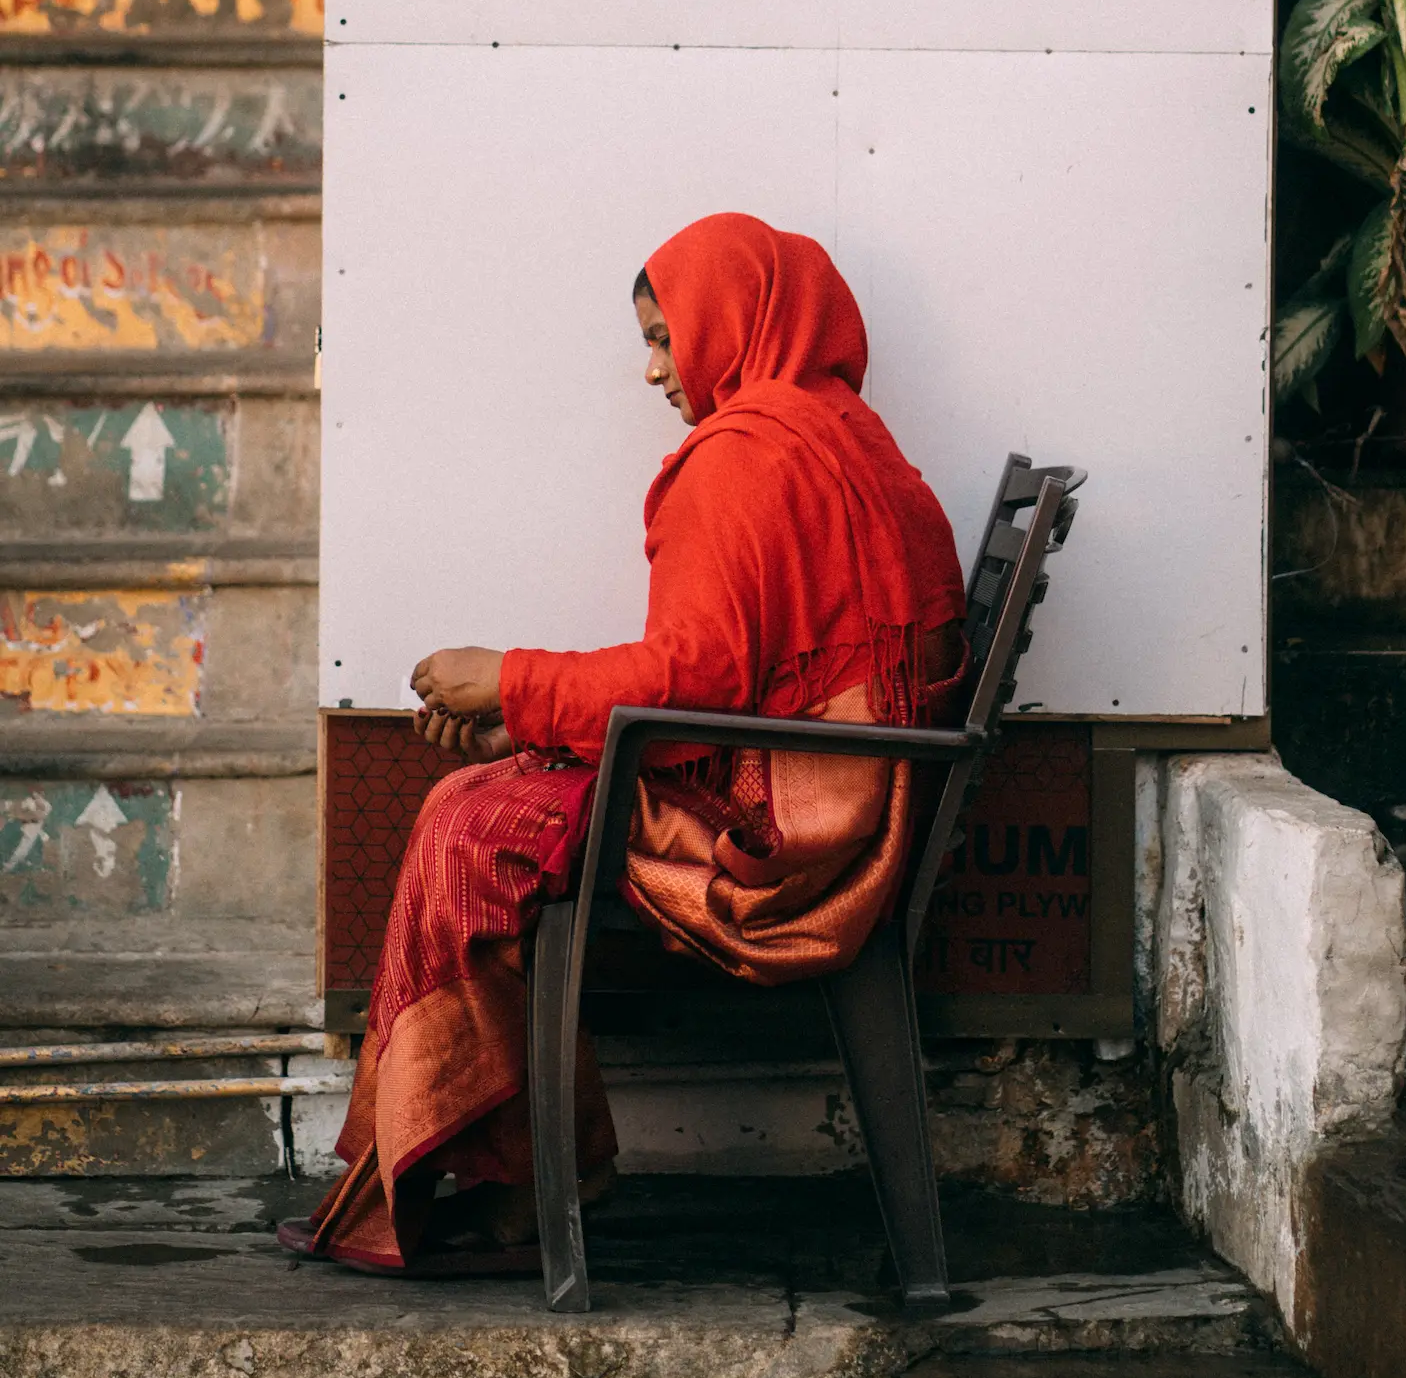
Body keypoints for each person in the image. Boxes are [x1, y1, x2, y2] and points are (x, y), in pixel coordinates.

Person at [282, 211, 966, 1273]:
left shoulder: (741, 457)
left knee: (470, 824)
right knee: (493, 790)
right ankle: (526, 1162)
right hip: (846, 799)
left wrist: (514, 677)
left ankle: (522, 1180)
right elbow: (734, 671)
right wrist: (527, 716)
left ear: (736, 319)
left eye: (664, 337)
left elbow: (691, 678)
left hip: (780, 839)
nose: (654, 372)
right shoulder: (841, 433)